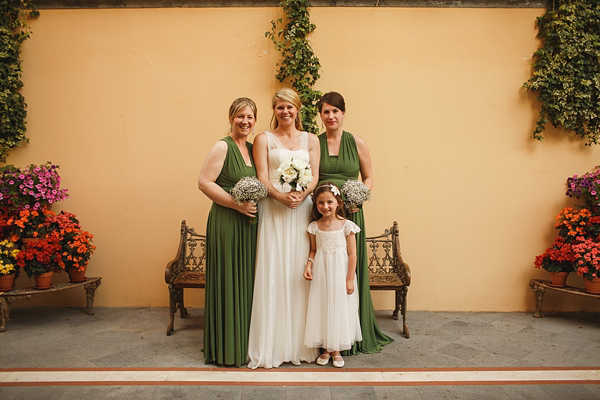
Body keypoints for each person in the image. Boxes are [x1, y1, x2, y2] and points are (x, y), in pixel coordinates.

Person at [247, 88, 320, 369]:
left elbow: (314, 176)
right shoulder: (263, 138)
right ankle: (271, 345)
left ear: (297, 110)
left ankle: (302, 345)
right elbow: (262, 176)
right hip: (275, 211)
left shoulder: (311, 139)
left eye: (290, 107)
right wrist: (279, 196)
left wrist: (302, 195)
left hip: (301, 210)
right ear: (274, 110)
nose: (285, 112)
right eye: (280, 107)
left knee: (297, 272)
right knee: (274, 270)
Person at [317, 91, 393, 354]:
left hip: (350, 211)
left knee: (350, 269)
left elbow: (369, 177)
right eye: (326, 111)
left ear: (343, 113)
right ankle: (326, 337)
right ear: (321, 115)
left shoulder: (357, 142)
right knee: (325, 274)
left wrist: (359, 198)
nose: (331, 116)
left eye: (335, 111)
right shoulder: (315, 143)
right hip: (323, 214)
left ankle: (352, 334)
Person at [197, 97, 259, 367]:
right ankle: (225, 346)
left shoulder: (255, 149)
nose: (245, 122)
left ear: (255, 121)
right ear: (231, 118)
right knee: (228, 279)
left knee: (247, 281)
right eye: (240, 117)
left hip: (250, 225)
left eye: (250, 117)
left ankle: (246, 343)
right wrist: (236, 203)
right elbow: (204, 182)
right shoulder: (222, 146)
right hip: (226, 222)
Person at [304, 183, 362, 368]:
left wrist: (349, 279)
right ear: (316, 205)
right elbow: (313, 249)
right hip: (322, 272)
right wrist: (309, 264)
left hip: (340, 272)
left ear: (338, 202)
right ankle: (327, 349)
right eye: (320, 203)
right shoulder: (314, 226)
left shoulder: (347, 226)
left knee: (338, 306)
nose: (325, 206)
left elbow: (352, 254)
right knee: (324, 305)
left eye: (329, 202)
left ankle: (336, 349)